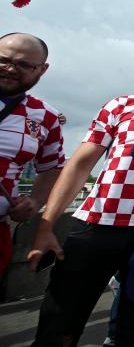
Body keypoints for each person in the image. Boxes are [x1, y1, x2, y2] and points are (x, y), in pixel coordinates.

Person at [28, 43, 134, 347]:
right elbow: (82, 163)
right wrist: (46, 225)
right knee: (61, 321)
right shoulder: (122, 105)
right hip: (99, 222)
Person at [0, 32, 65, 278]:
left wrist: (35, 202)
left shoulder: (45, 116)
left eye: (24, 65)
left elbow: (53, 167)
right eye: (3, 60)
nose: (10, 69)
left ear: (42, 69)